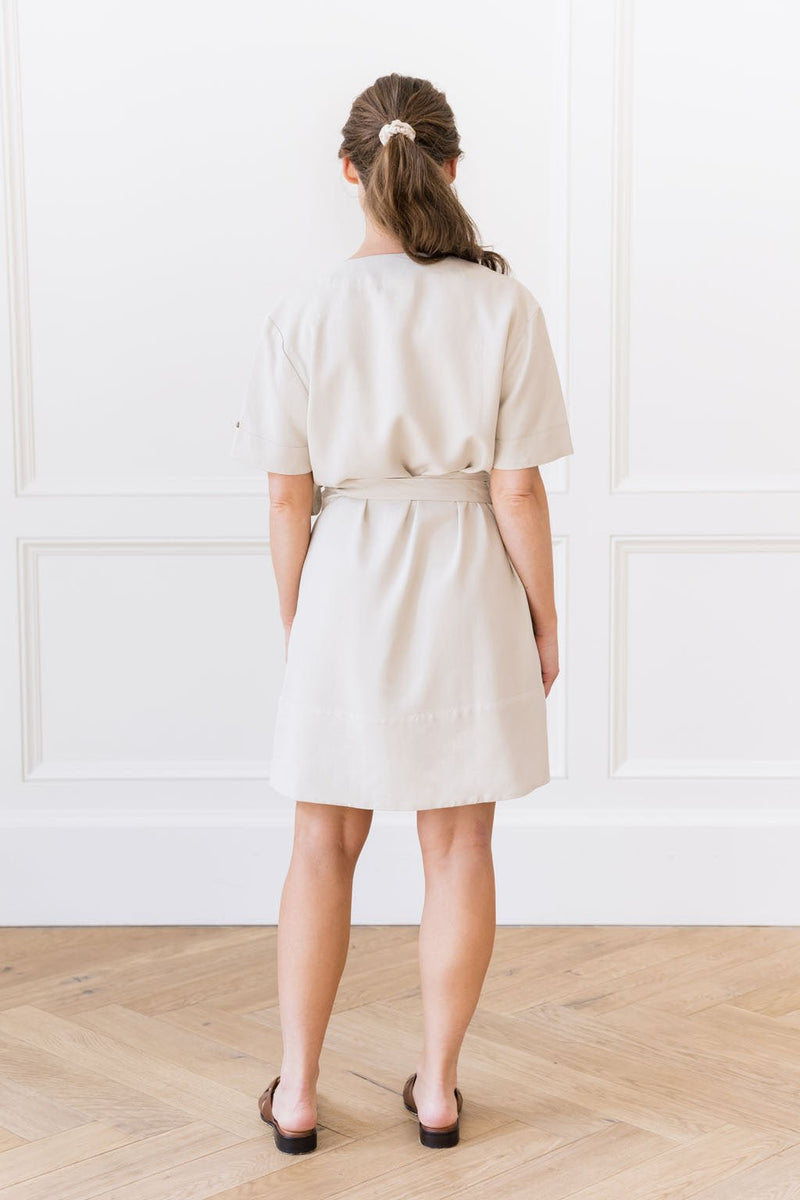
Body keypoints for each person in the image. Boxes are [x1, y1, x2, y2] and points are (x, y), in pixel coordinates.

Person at [230, 72, 574, 1153]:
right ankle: (438, 1092)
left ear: (349, 171)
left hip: (347, 576)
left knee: (320, 843)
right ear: (452, 166)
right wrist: (544, 619)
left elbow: (285, 496)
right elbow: (517, 489)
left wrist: (302, 624)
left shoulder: (305, 312)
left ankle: (296, 1093)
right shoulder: (503, 306)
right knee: (458, 842)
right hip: (467, 576)